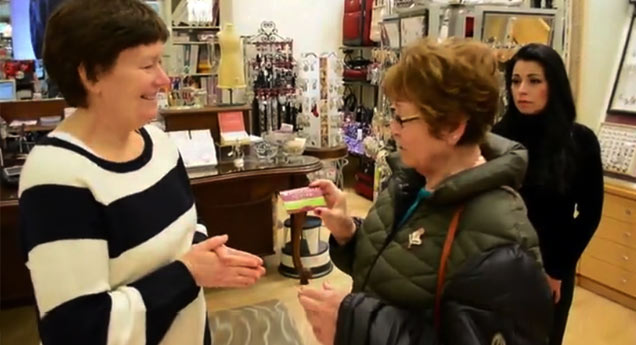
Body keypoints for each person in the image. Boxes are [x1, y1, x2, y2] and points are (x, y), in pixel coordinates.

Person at [18, 1, 265, 344]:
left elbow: (187, 226)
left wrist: (206, 252)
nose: (164, 80)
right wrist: (189, 273)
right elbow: (76, 329)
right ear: (90, 75)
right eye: (148, 64)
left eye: (161, 61)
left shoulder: (158, 143)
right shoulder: (57, 177)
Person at [298, 38, 553, 345]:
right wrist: (348, 232)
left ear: (451, 127)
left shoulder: (502, 233)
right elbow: (396, 273)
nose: (393, 128)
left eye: (402, 117)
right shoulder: (412, 182)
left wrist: (357, 324)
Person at [492, 43, 604, 345]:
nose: (522, 90)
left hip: (550, 267)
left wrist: (557, 269)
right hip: (497, 266)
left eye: (534, 80)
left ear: (553, 85)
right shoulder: (498, 138)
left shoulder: (578, 141)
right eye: (515, 81)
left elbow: (590, 213)